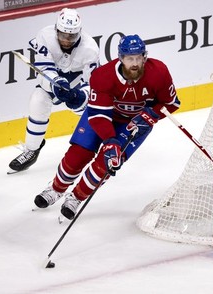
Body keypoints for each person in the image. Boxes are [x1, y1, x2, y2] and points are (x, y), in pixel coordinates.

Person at [33, 34, 181, 220]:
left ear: (145, 56)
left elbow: (172, 103)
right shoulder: (103, 76)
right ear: (120, 58)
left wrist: (151, 115)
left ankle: (76, 198)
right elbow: (99, 116)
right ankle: (55, 189)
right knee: (78, 154)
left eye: (138, 57)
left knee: (107, 162)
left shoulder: (158, 72)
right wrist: (110, 141)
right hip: (102, 118)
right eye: (129, 58)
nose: (134, 63)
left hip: (133, 125)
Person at [8, 8, 100, 174]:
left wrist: (81, 96)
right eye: (63, 34)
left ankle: (97, 142)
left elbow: (95, 82)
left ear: (79, 32)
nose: (66, 40)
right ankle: (32, 149)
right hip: (54, 78)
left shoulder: (90, 49)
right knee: (38, 100)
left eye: (71, 36)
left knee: (86, 109)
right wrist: (56, 83)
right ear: (56, 29)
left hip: (77, 82)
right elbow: (44, 67)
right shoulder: (45, 35)